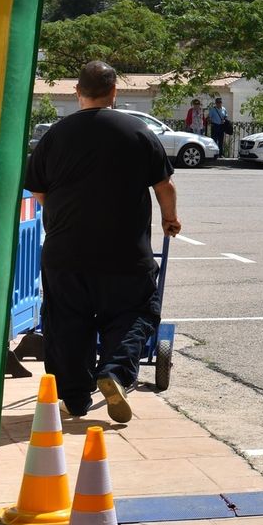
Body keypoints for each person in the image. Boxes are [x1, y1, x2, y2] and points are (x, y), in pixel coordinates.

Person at [24, 60, 180, 423]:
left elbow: (39, 190)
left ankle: (74, 398)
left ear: (77, 92)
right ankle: (114, 372)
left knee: (67, 322)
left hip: (66, 252)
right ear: (114, 93)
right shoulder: (138, 131)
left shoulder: (54, 135)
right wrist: (170, 220)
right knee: (135, 311)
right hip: (125, 252)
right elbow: (164, 187)